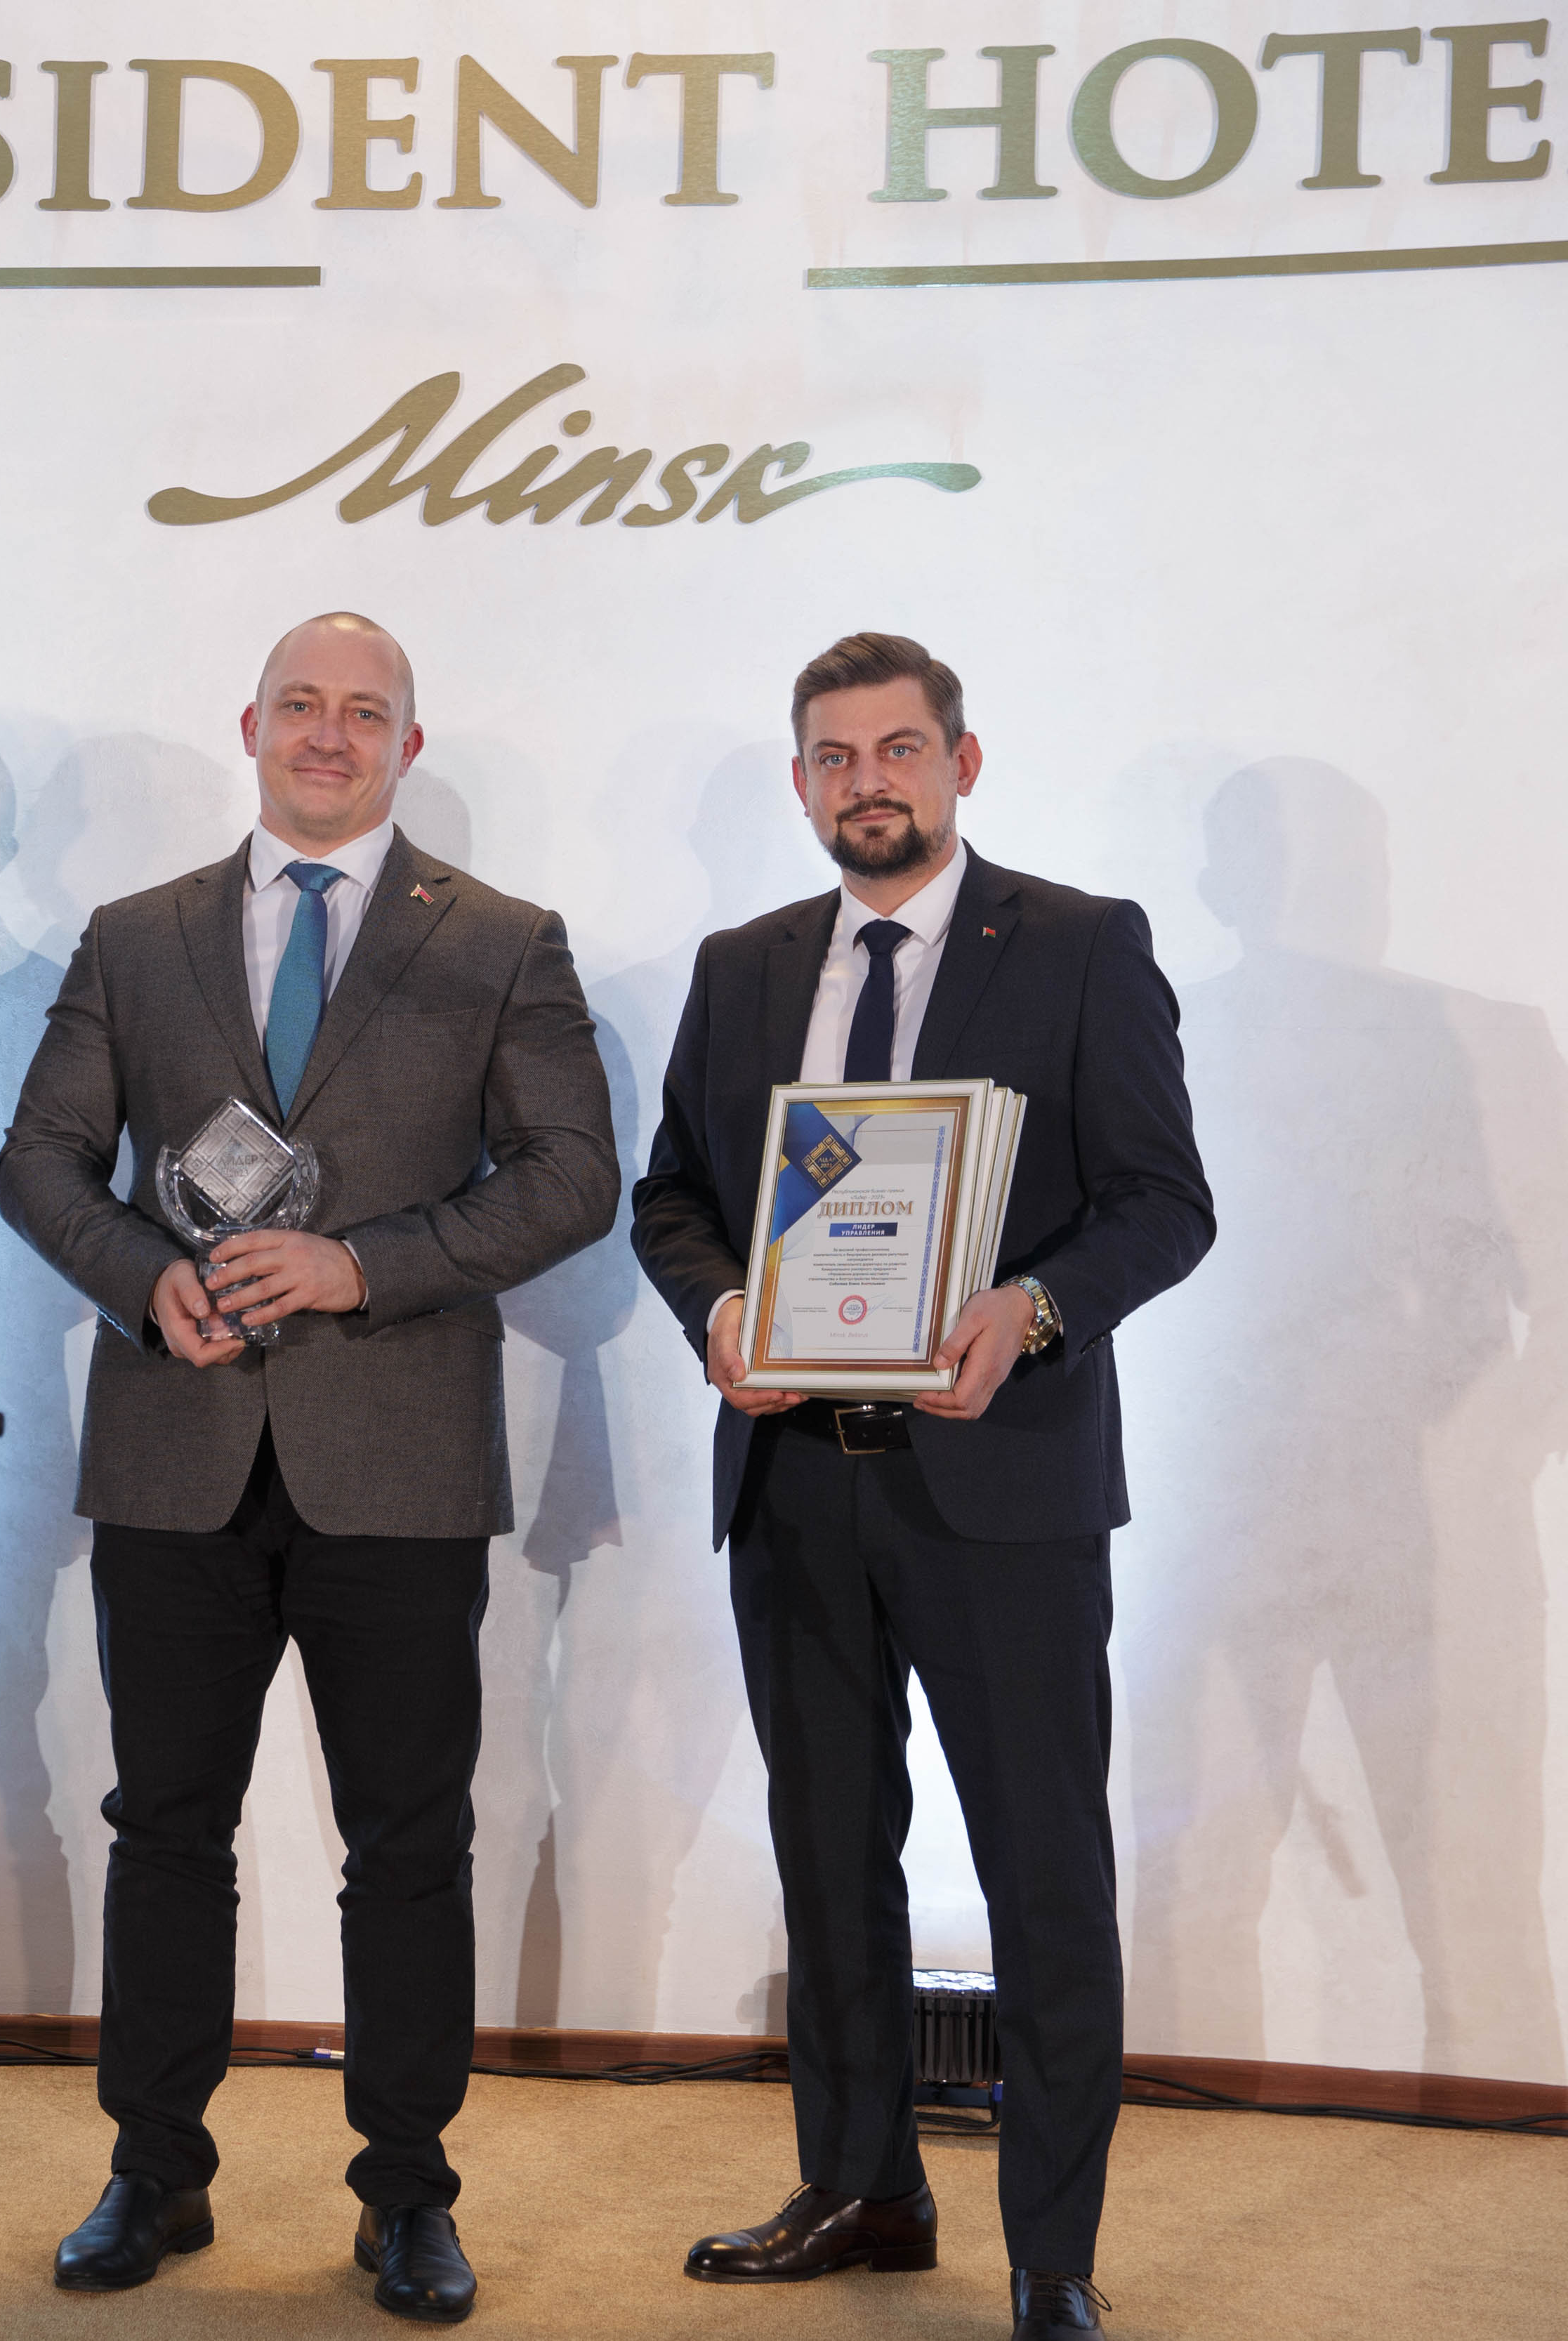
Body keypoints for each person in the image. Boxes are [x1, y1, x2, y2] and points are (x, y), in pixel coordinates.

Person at [0, 612, 616, 2323]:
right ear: (248, 724)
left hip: (397, 1457)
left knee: (406, 1839)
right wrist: (146, 1276)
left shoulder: (501, 940)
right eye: (299, 706)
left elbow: (573, 1173)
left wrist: (362, 1263)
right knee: (164, 1828)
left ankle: (407, 2192)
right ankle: (154, 2167)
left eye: (363, 711)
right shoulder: (134, 936)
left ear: (409, 744)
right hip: (174, 1446)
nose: (326, 734)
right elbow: (40, 1157)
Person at [628, 634, 1213, 2341]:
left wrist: (1032, 1308)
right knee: (828, 1854)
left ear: (962, 762)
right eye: (833, 755)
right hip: (795, 1479)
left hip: (1003, 1481)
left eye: (897, 748)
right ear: (798, 779)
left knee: (1043, 1869)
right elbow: (672, 1198)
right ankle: (863, 2184)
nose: (865, 780)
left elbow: (1162, 1202)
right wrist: (718, 1309)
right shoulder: (743, 967)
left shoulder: (1082, 944)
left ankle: (1051, 2250)